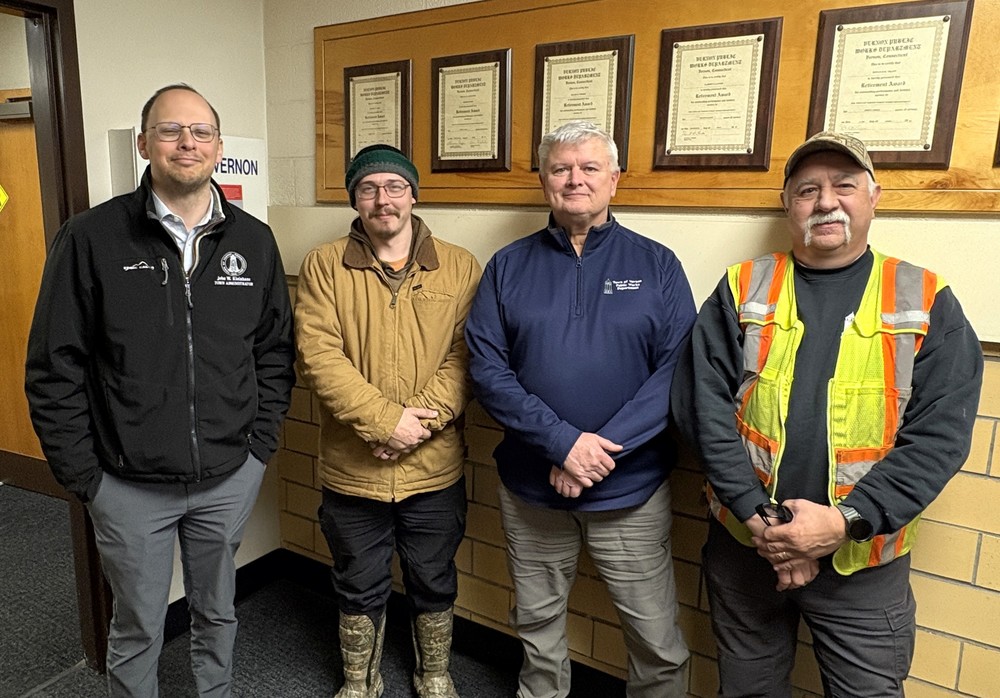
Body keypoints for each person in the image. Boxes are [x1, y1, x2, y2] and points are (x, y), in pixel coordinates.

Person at [670, 131, 984, 697]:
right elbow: (702, 408)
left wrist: (841, 524)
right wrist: (758, 519)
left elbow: (939, 439)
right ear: (789, 204)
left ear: (873, 196)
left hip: (863, 564)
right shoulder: (742, 286)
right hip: (746, 550)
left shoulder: (926, 298)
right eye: (808, 190)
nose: (826, 201)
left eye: (844, 186)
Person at [25, 84, 296, 697]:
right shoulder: (91, 237)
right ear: (145, 142)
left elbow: (275, 351)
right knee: (138, 627)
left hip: (227, 477)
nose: (187, 143)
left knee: (218, 613)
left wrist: (258, 450)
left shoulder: (253, 241)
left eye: (201, 132)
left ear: (220, 147)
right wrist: (87, 478)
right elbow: (53, 366)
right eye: (171, 131)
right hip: (127, 486)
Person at [464, 120, 695, 698]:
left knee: (656, 642)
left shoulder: (657, 264)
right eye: (561, 169)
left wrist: (592, 453)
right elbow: (489, 371)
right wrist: (562, 443)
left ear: (614, 179)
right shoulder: (506, 267)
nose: (575, 180)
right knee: (537, 632)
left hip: (630, 491)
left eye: (590, 168)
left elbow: (676, 372)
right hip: (531, 489)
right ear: (543, 180)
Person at [294, 144, 481, 698]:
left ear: (414, 194)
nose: (383, 200)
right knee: (357, 581)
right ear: (355, 198)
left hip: (434, 469)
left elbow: (468, 357)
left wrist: (415, 427)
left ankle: (435, 675)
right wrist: (384, 423)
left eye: (394, 187)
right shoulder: (324, 265)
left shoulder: (460, 265)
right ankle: (360, 681)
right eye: (369, 188)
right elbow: (317, 356)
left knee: (433, 576)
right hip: (354, 469)